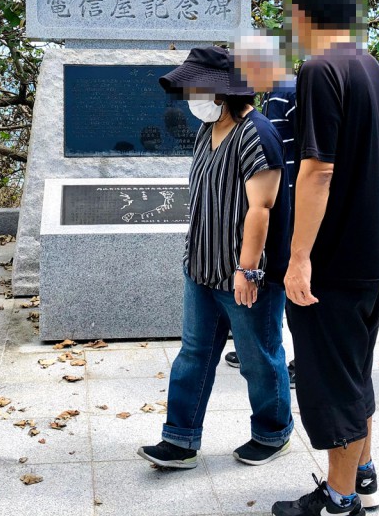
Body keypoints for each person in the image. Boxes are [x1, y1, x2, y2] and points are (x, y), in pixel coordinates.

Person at [137, 46, 294, 469]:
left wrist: (247, 270)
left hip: (245, 275)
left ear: (222, 92)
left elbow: (260, 210)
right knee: (194, 354)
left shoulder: (257, 134)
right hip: (202, 267)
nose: (190, 98)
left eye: (196, 88)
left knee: (259, 358)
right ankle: (180, 439)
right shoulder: (208, 132)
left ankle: (273, 432)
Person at [273, 0, 379, 516]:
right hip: (369, 255)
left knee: (332, 382)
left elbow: (317, 169)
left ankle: (340, 498)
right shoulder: (371, 67)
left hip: (333, 263)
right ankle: (362, 471)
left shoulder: (321, 69)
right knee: (355, 370)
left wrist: (299, 259)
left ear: (305, 13)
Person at [225, 33, 297, 385]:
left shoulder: (288, 94)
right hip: (284, 199)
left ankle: (288, 353)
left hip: (290, 203)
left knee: (282, 277)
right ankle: (258, 343)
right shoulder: (276, 94)